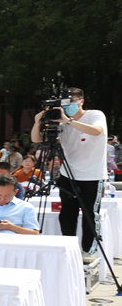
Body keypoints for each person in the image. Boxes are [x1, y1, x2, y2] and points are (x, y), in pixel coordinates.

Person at [32, 88, 108, 261]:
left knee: (90, 214)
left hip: (92, 175)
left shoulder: (95, 115)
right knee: (67, 214)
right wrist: (37, 122)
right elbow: (37, 139)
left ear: (81, 101)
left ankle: (88, 250)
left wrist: (68, 120)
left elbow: (97, 131)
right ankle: (69, 246)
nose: (67, 106)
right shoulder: (61, 121)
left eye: (71, 102)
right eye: (64, 103)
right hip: (68, 174)